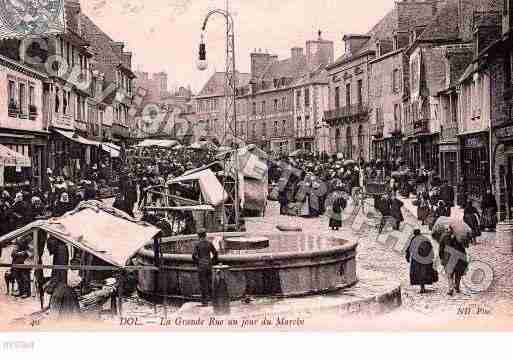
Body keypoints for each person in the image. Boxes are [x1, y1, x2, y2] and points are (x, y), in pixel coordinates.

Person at [406, 229, 437, 294]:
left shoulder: (414, 239)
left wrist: (407, 256)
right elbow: (430, 248)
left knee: (419, 272)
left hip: (417, 259)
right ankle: (423, 286)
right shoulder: (425, 238)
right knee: (424, 272)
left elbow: (409, 248)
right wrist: (431, 257)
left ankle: (422, 287)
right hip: (426, 259)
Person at [192, 228, 218, 305]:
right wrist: (212, 261)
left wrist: (198, 262)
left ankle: (204, 302)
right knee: (210, 282)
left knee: (203, 283)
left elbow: (194, 256)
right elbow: (215, 253)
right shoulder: (209, 243)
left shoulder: (197, 244)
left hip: (201, 266)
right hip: (209, 265)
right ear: (205, 235)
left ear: (198, 236)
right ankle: (213, 300)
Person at [439, 226, 468, 296]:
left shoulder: (444, 236)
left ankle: (451, 288)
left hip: (448, 258)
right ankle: (457, 287)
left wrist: (441, 257)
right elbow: (465, 246)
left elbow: (441, 248)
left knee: (450, 274)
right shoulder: (460, 236)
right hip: (459, 258)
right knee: (458, 273)